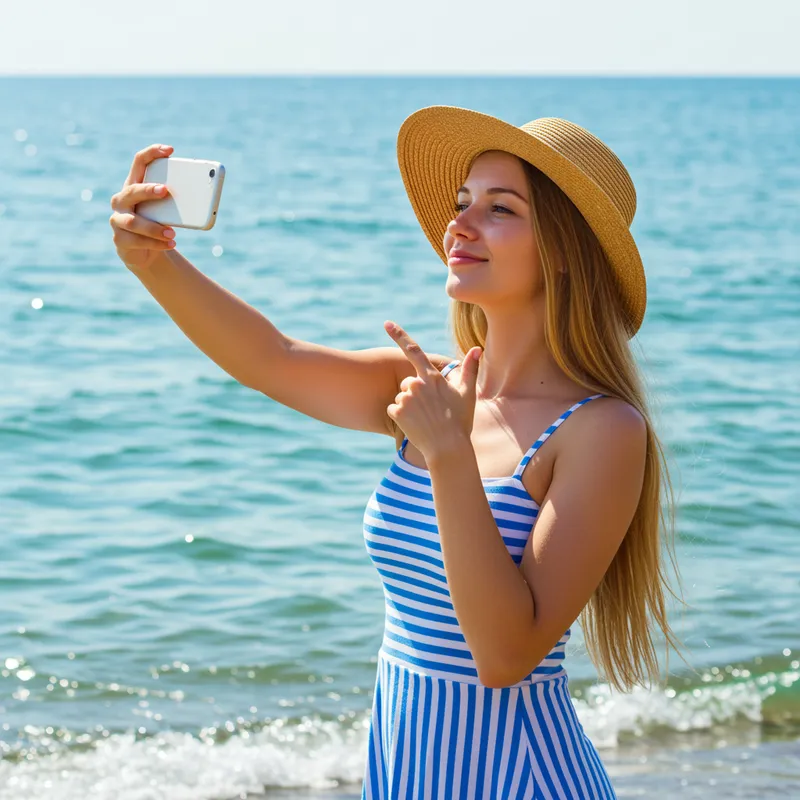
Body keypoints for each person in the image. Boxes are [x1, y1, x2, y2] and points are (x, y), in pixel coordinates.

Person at [109, 106, 683, 799]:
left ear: (564, 252)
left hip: (522, 780)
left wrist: (449, 456)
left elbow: (505, 656)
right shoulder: (426, 389)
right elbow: (271, 357)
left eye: (500, 209)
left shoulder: (600, 429)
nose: (459, 224)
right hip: (407, 775)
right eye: (463, 201)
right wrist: (154, 262)